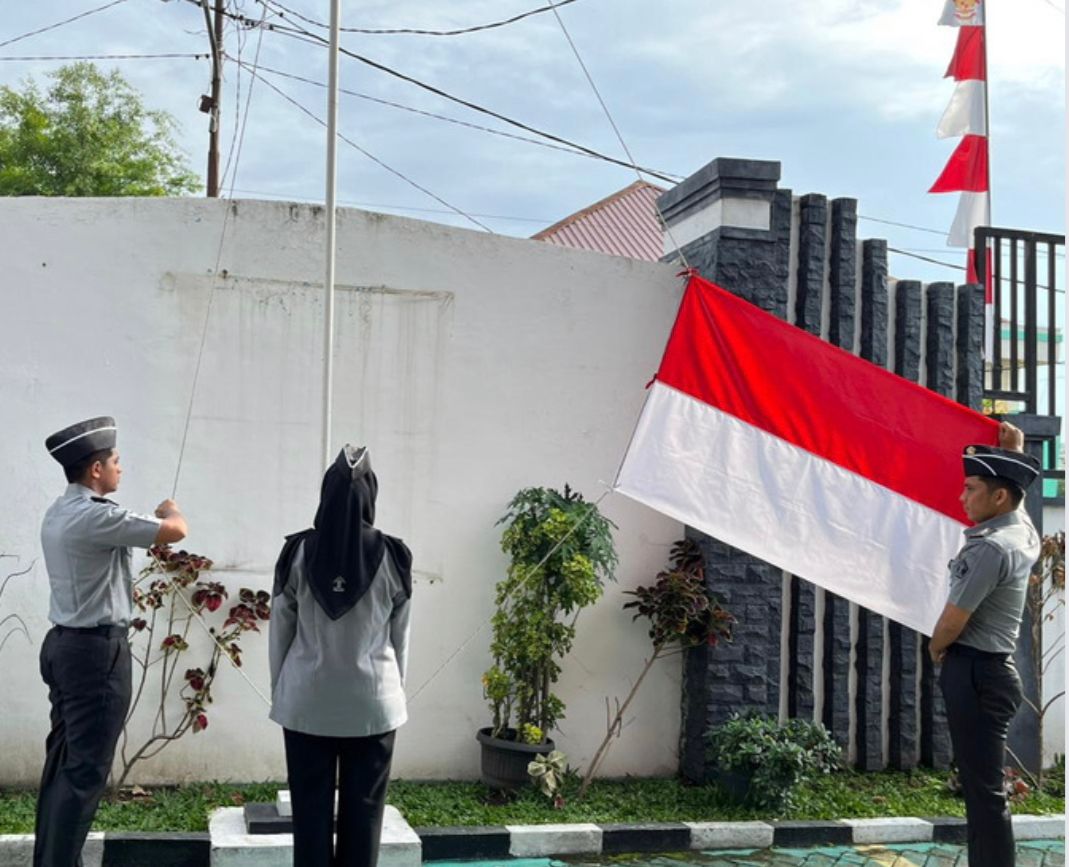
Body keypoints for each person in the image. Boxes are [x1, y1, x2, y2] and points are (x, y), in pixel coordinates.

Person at [36, 416, 187, 867]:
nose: (121, 468)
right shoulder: (95, 517)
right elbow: (176, 532)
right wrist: (169, 509)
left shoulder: (60, 510)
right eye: (116, 461)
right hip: (95, 654)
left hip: (64, 646)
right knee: (84, 774)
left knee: (64, 766)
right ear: (96, 470)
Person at [269, 445, 412, 867]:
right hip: (374, 705)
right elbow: (400, 638)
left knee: (309, 818)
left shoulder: (296, 552)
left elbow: (281, 631)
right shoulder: (395, 556)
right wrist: (393, 693)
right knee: (365, 817)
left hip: (305, 703)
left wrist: (282, 691)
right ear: (371, 495)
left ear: (324, 494)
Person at [928, 420, 1041, 867]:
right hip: (991, 672)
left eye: (970, 488)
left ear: (998, 497)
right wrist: (1014, 449)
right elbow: (1021, 499)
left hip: (975, 671)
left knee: (984, 794)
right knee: (983, 790)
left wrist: (936, 647)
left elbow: (954, 620)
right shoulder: (1022, 531)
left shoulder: (991, 548)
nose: (961, 497)